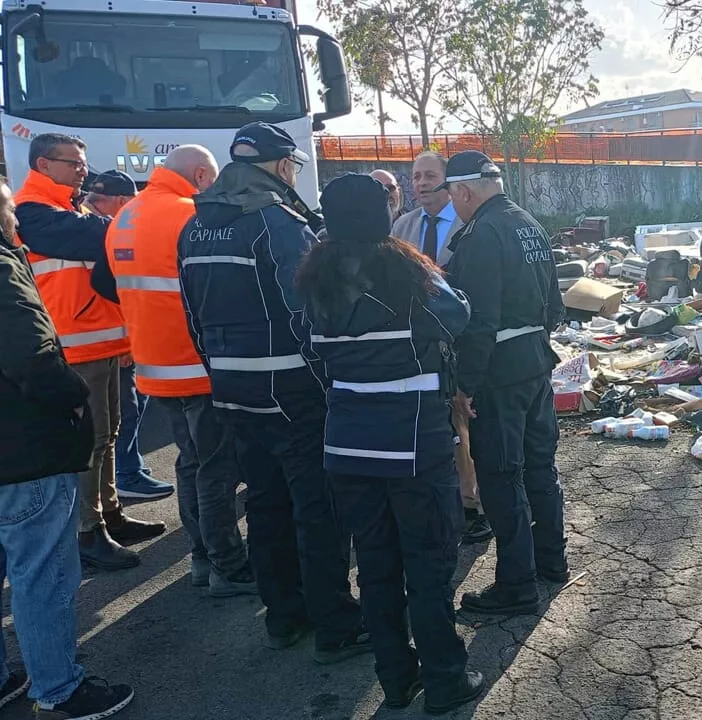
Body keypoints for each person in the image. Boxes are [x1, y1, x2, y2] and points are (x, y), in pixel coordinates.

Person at [177, 122, 369, 661]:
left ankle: (283, 617)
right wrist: (325, 375)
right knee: (317, 510)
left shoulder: (194, 228)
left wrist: (222, 372)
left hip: (233, 394)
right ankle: (335, 625)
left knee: (263, 505)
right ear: (283, 166)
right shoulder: (275, 223)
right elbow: (307, 312)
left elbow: (192, 316)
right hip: (292, 393)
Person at [298, 173, 485, 714]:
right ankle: (446, 678)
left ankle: (396, 677)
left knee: (376, 566)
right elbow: (458, 314)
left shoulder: (316, 280)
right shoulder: (403, 270)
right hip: (413, 441)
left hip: (347, 444)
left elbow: (311, 352)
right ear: (381, 215)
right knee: (427, 564)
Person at [0, 176, 136, 719]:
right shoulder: (4, 266)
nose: (16, 220)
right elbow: (32, 354)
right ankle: (58, 687)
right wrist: (74, 398)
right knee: (43, 574)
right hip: (23, 447)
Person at [105, 145, 255, 596]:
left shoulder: (126, 215)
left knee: (190, 464)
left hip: (155, 365)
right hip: (197, 362)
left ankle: (202, 557)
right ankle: (228, 566)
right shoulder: (189, 214)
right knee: (216, 468)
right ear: (199, 174)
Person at [14, 133, 164, 572]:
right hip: (75, 346)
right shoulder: (33, 211)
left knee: (109, 436)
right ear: (44, 164)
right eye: (74, 163)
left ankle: (109, 515)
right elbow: (94, 239)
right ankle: (88, 531)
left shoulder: (66, 207)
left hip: (101, 342)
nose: (83, 170)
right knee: (93, 443)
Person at [440, 151, 568, 616]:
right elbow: (555, 303)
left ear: (463, 191)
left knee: (499, 474)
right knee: (540, 466)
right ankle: (552, 560)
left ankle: (517, 583)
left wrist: (465, 384)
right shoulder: (527, 223)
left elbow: (478, 321)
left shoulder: (480, 236)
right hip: (535, 361)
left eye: (453, 197)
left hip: (498, 370)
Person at [390, 150, 492, 544]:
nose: (420, 184)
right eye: (415, 177)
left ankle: (471, 505)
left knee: (461, 421)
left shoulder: (468, 225)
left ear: (451, 183)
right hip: (415, 344)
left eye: (430, 175)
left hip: (458, 338)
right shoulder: (403, 226)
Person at [84, 170, 175, 501]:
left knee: (122, 410)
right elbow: (108, 287)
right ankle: (127, 472)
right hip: (108, 337)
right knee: (123, 411)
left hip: (105, 335)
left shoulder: (84, 225)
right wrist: (125, 339)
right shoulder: (99, 231)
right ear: (122, 201)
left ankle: (129, 466)